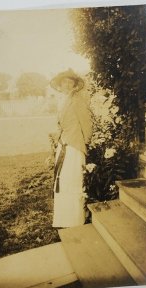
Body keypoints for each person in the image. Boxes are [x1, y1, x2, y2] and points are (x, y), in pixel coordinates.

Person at [50, 69, 93, 228]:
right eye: (64, 82)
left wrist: (85, 143)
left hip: (75, 147)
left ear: (74, 85)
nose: (67, 85)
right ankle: (63, 220)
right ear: (60, 85)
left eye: (70, 82)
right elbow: (61, 124)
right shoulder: (62, 101)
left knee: (73, 180)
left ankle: (75, 220)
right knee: (63, 181)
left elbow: (86, 124)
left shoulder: (77, 100)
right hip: (63, 145)